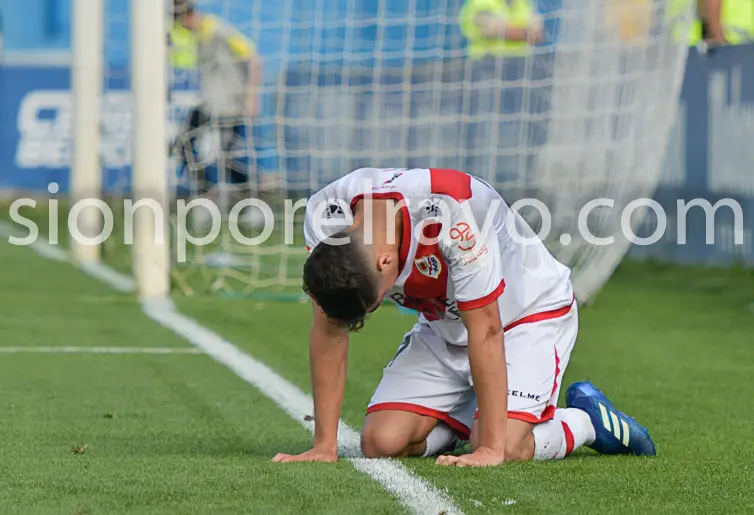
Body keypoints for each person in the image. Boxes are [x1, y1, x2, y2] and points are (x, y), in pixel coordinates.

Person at [273, 167, 656, 466]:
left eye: (376, 304)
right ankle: (475, 415)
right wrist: (323, 446)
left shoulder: (454, 210)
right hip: (446, 326)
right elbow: (328, 332)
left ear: (385, 261)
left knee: (505, 444)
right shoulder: (327, 217)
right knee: (380, 443)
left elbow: (487, 329)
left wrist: (488, 448)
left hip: (524, 316)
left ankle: (587, 421)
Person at [171, 0, 262, 203]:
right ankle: (206, 192)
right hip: (210, 105)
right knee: (183, 145)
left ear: (187, 17)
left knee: (229, 159)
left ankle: (254, 201)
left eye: (180, 22)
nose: (181, 28)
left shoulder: (219, 31)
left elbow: (253, 58)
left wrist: (251, 98)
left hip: (230, 107)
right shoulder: (198, 35)